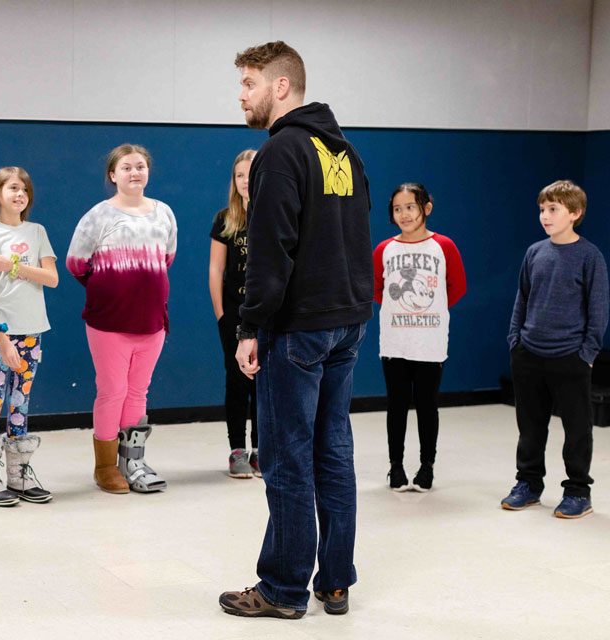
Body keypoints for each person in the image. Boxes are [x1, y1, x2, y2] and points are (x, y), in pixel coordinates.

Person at [218, 41, 373, 620]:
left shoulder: (280, 151)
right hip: (346, 323)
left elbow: (271, 249)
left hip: (300, 329)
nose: (241, 95)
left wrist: (250, 324)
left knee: (286, 458)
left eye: (249, 83)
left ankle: (283, 589)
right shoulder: (343, 151)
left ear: (281, 87)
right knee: (333, 451)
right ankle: (334, 583)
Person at [66, 144, 177, 494]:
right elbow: (76, 264)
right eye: (126, 167)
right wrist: (113, 287)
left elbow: (167, 258)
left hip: (151, 321)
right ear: (113, 175)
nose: (134, 172)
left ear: (148, 172)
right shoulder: (98, 216)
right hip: (109, 322)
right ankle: (104, 467)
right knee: (112, 391)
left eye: (140, 166)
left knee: (137, 393)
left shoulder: (164, 214)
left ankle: (133, 462)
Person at [502, 179, 608, 518]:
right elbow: (522, 298)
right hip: (529, 354)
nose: (545, 216)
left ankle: (578, 491)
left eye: (553, 210)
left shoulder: (589, 256)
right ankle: (529, 484)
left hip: (571, 358)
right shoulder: (535, 252)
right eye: (542, 210)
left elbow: (598, 309)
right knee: (530, 427)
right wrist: (515, 341)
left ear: (575, 213)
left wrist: (587, 353)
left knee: (577, 429)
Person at [0, 167, 58, 507]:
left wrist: (13, 266)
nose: (19, 194)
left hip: (32, 331)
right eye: (12, 188)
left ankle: (18, 474)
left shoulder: (37, 232)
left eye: (24, 189)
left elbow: (51, 278)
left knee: (21, 402)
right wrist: (1, 338)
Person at [373, 184, 466, 492]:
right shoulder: (384, 249)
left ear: (426, 208)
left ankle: (427, 466)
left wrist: (430, 311)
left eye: (410, 207)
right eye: (397, 209)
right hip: (395, 341)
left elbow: (457, 287)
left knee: (427, 404)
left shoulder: (444, 246)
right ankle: (395, 467)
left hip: (431, 342)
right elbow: (377, 289)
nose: (404, 214)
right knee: (396, 404)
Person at [209, 149, 260, 478]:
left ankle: (261, 449)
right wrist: (221, 315)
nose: (245, 180)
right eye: (239, 174)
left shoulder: (278, 213)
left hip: (269, 316)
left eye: (251, 173)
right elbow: (216, 270)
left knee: (264, 384)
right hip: (235, 316)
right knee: (238, 382)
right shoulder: (226, 219)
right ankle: (237, 450)